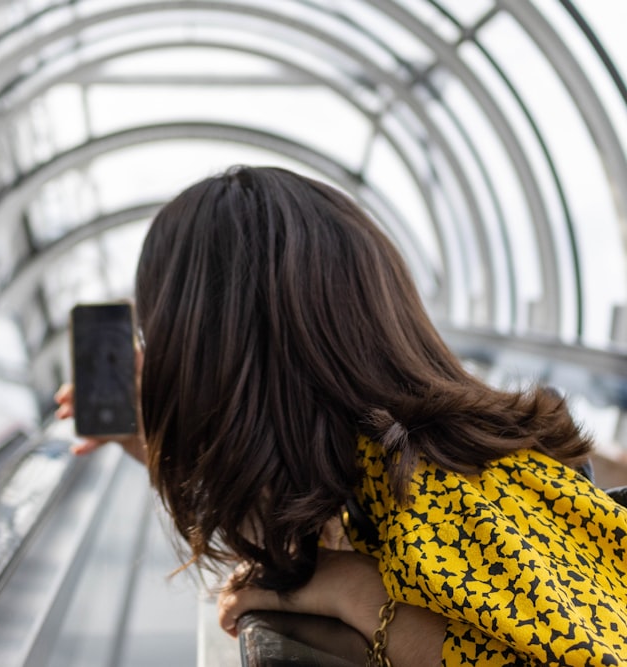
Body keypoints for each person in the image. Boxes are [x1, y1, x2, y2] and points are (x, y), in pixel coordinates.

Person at [55, 166, 627, 665]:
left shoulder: (440, 490)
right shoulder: (386, 466)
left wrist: (357, 592)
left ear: (224, 364)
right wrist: (157, 444)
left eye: (165, 344)